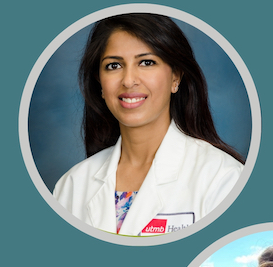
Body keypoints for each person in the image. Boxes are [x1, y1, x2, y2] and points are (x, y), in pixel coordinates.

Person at [54, 13, 244, 236]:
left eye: (147, 62)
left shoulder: (222, 178)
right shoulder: (72, 185)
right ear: (100, 83)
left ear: (176, 77)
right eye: (114, 65)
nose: (128, 80)